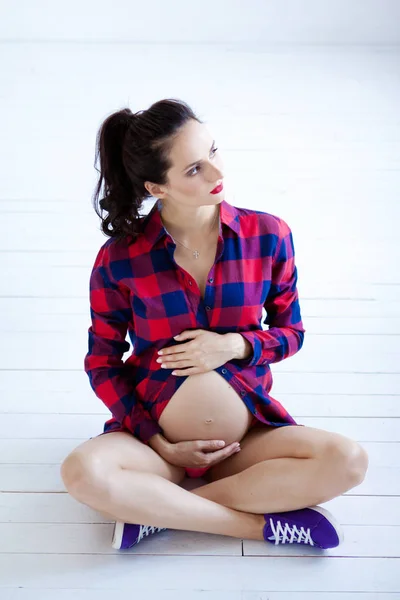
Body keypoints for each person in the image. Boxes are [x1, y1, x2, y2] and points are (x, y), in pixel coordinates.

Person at [60, 98, 369, 551]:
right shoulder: (120, 259)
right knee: (81, 472)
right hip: (156, 450)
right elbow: (102, 363)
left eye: (214, 153)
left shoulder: (268, 235)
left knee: (348, 460)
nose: (215, 173)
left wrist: (234, 347)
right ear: (157, 187)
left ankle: (162, 511)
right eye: (192, 170)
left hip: (245, 443)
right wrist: (157, 441)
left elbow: (292, 333)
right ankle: (255, 526)